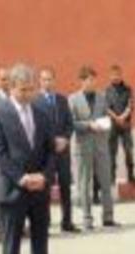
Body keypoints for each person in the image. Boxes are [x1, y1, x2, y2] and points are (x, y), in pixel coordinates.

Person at [0, 64, 61, 254]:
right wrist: (21, 178)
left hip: (39, 188)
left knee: (41, 237)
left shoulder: (41, 111)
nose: (28, 94)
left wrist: (44, 176)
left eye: (31, 89)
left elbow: (51, 150)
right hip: (13, 188)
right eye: (23, 90)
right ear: (11, 86)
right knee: (12, 240)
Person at [69, 66, 118, 230]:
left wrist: (105, 124)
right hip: (83, 147)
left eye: (94, 79)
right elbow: (71, 123)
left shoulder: (101, 97)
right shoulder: (73, 99)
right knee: (84, 183)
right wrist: (88, 125)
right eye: (89, 79)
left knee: (106, 181)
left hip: (101, 145)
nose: (92, 82)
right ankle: (87, 218)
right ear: (82, 80)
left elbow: (106, 117)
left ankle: (108, 217)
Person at [36, 67, 78, 233]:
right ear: (40, 81)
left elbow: (69, 123)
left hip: (63, 152)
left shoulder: (62, 99)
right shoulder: (35, 101)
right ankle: (44, 223)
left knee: (66, 186)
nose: (47, 82)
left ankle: (67, 222)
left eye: (50, 79)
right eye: (44, 79)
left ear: (54, 80)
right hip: (45, 153)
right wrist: (51, 141)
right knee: (45, 188)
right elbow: (36, 127)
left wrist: (66, 139)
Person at [106, 65, 135, 184]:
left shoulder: (128, 89)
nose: (115, 77)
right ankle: (112, 177)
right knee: (111, 153)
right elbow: (107, 108)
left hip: (126, 125)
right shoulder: (107, 90)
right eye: (113, 75)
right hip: (112, 126)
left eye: (117, 74)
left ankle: (131, 175)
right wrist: (116, 118)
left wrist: (123, 117)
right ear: (110, 76)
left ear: (121, 75)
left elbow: (130, 105)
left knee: (129, 151)